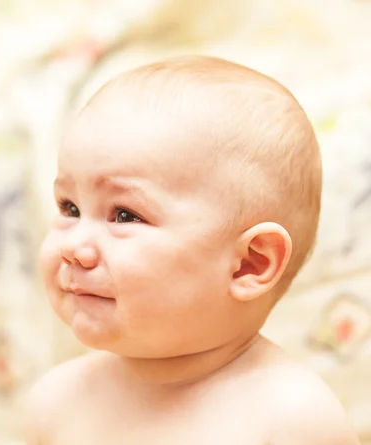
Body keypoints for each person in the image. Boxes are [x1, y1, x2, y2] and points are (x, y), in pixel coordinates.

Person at [25, 55, 361, 445]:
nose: (73, 247)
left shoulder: (292, 419)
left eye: (124, 215)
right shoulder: (58, 402)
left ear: (249, 264)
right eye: (70, 208)